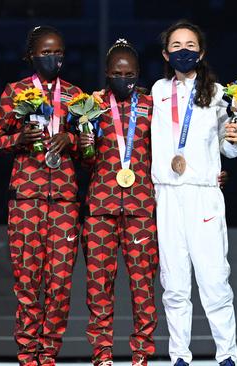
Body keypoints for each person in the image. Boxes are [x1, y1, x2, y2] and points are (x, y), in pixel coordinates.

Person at [0, 25, 83, 366]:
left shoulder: (75, 96)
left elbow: (89, 150)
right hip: (26, 199)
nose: (53, 58)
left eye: (58, 52)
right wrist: (19, 140)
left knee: (59, 285)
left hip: (65, 202)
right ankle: (28, 356)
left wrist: (72, 141)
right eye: (45, 52)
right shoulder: (14, 92)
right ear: (30, 56)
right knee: (28, 286)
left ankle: (49, 355)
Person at [150, 20, 237, 366]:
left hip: (203, 194)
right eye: (176, 46)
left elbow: (230, 149)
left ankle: (227, 354)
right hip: (167, 195)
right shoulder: (156, 92)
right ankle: (179, 356)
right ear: (165, 53)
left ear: (201, 52)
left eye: (190, 45)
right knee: (174, 283)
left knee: (214, 278)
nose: (183, 51)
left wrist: (234, 139)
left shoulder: (219, 94)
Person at [78, 39, 158, 366]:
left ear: (138, 74)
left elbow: (169, 154)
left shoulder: (152, 107)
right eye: (116, 73)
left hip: (141, 208)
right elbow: (84, 160)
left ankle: (141, 355)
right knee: (98, 287)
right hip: (100, 208)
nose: (123, 78)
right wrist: (85, 145)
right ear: (107, 74)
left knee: (143, 289)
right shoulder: (90, 106)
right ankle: (102, 355)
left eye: (129, 73)